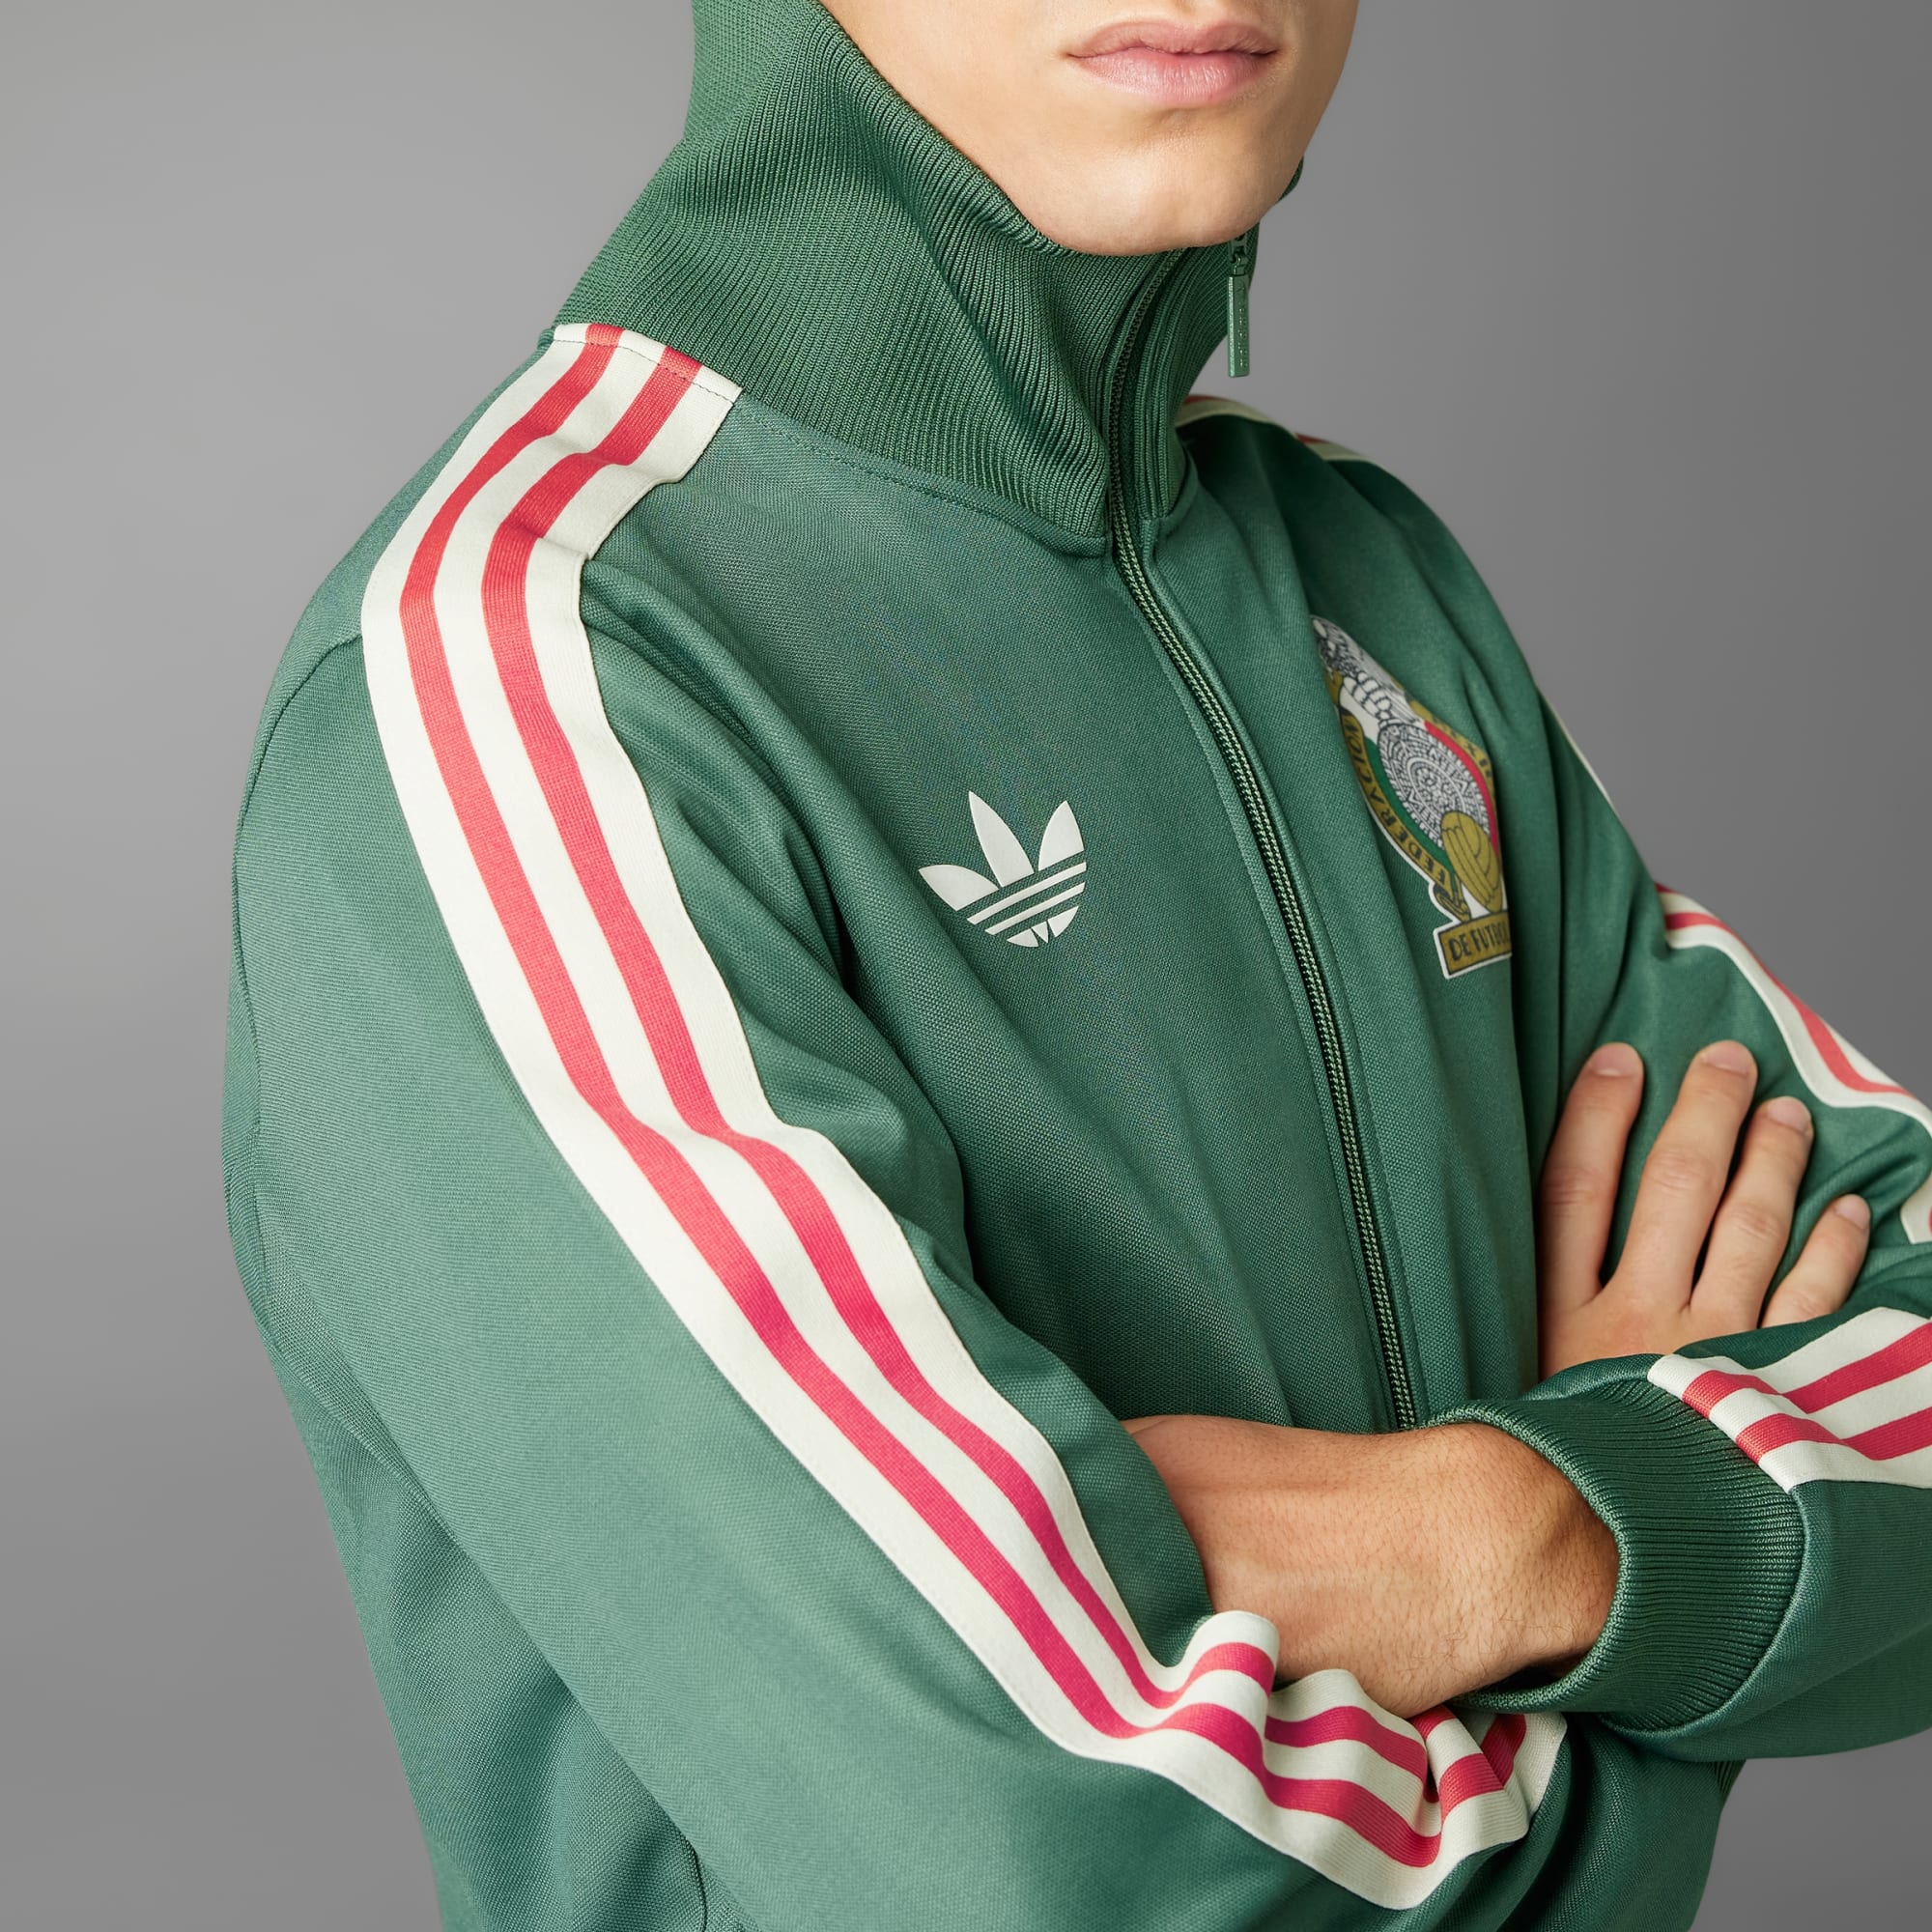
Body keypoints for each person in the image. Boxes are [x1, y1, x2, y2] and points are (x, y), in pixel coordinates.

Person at [219, 1, 1932, 1925]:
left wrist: (1519, 1533)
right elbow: (1064, 1879)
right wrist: (1660, 1620)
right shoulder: (533, 689)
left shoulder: (1364, 573)